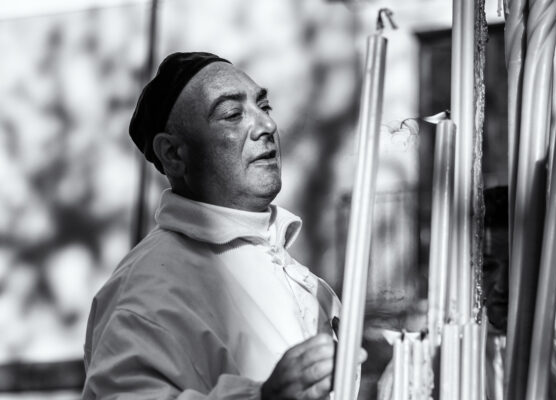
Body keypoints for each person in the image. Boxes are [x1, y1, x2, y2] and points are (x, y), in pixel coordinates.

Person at [82, 52, 365, 399]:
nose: (267, 126)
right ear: (173, 154)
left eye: (265, 106)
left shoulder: (286, 267)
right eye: (233, 114)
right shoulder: (147, 287)